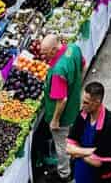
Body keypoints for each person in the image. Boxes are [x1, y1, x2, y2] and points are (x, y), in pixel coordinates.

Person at [42, 33, 85, 182]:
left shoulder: (58, 71)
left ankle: (65, 174)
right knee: (73, 137)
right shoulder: (73, 49)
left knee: (62, 146)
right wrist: (76, 86)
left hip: (64, 117)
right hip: (74, 107)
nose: (43, 56)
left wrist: (55, 120)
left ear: (54, 50)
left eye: (45, 52)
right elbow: (83, 65)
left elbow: (62, 100)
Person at [66, 82, 111, 183]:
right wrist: (90, 151)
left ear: (97, 102)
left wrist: (77, 152)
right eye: (83, 101)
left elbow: (99, 162)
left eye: (86, 103)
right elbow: (69, 147)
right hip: (81, 172)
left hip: (100, 177)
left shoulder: (109, 123)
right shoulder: (82, 115)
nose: (82, 106)